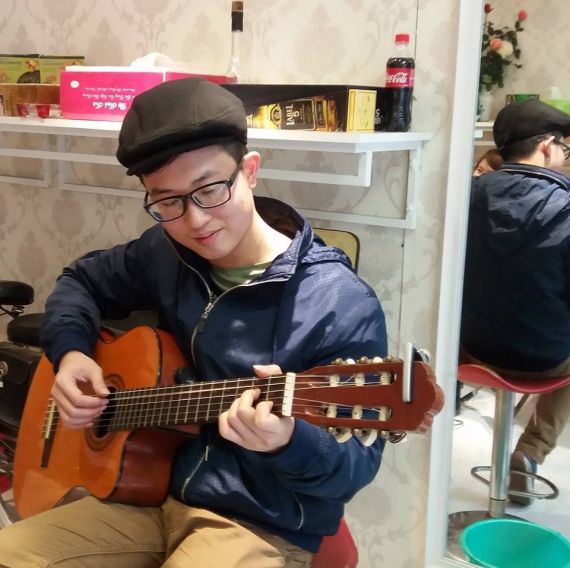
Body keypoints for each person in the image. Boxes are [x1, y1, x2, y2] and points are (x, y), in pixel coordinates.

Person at [0, 78, 388, 567]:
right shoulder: (166, 252)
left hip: (256, 522)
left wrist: (288, 442)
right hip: (146, 496)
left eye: (210, 189)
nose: (195, 220)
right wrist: (71, 352)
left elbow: (353, 469)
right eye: (168, 202)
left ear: (249, 171)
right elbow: (80, 280)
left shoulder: (338, 302)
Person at [461, 99, 570, 506]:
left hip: (469, 350)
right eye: (564, 148)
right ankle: (531, 451)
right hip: (541, 359)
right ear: (546, 145)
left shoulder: (466, 195)